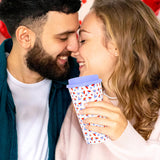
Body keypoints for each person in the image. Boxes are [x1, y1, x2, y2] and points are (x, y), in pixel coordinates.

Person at [56, 0, 160, 159]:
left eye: (83, 40)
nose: (75, 49)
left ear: (116, 46)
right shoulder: (80, 105)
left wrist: (124, 136)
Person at [0, 0, 81, 160]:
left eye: (77, 34)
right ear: (25, 37)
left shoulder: (81, 80)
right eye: (63, 37)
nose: (75, 47)